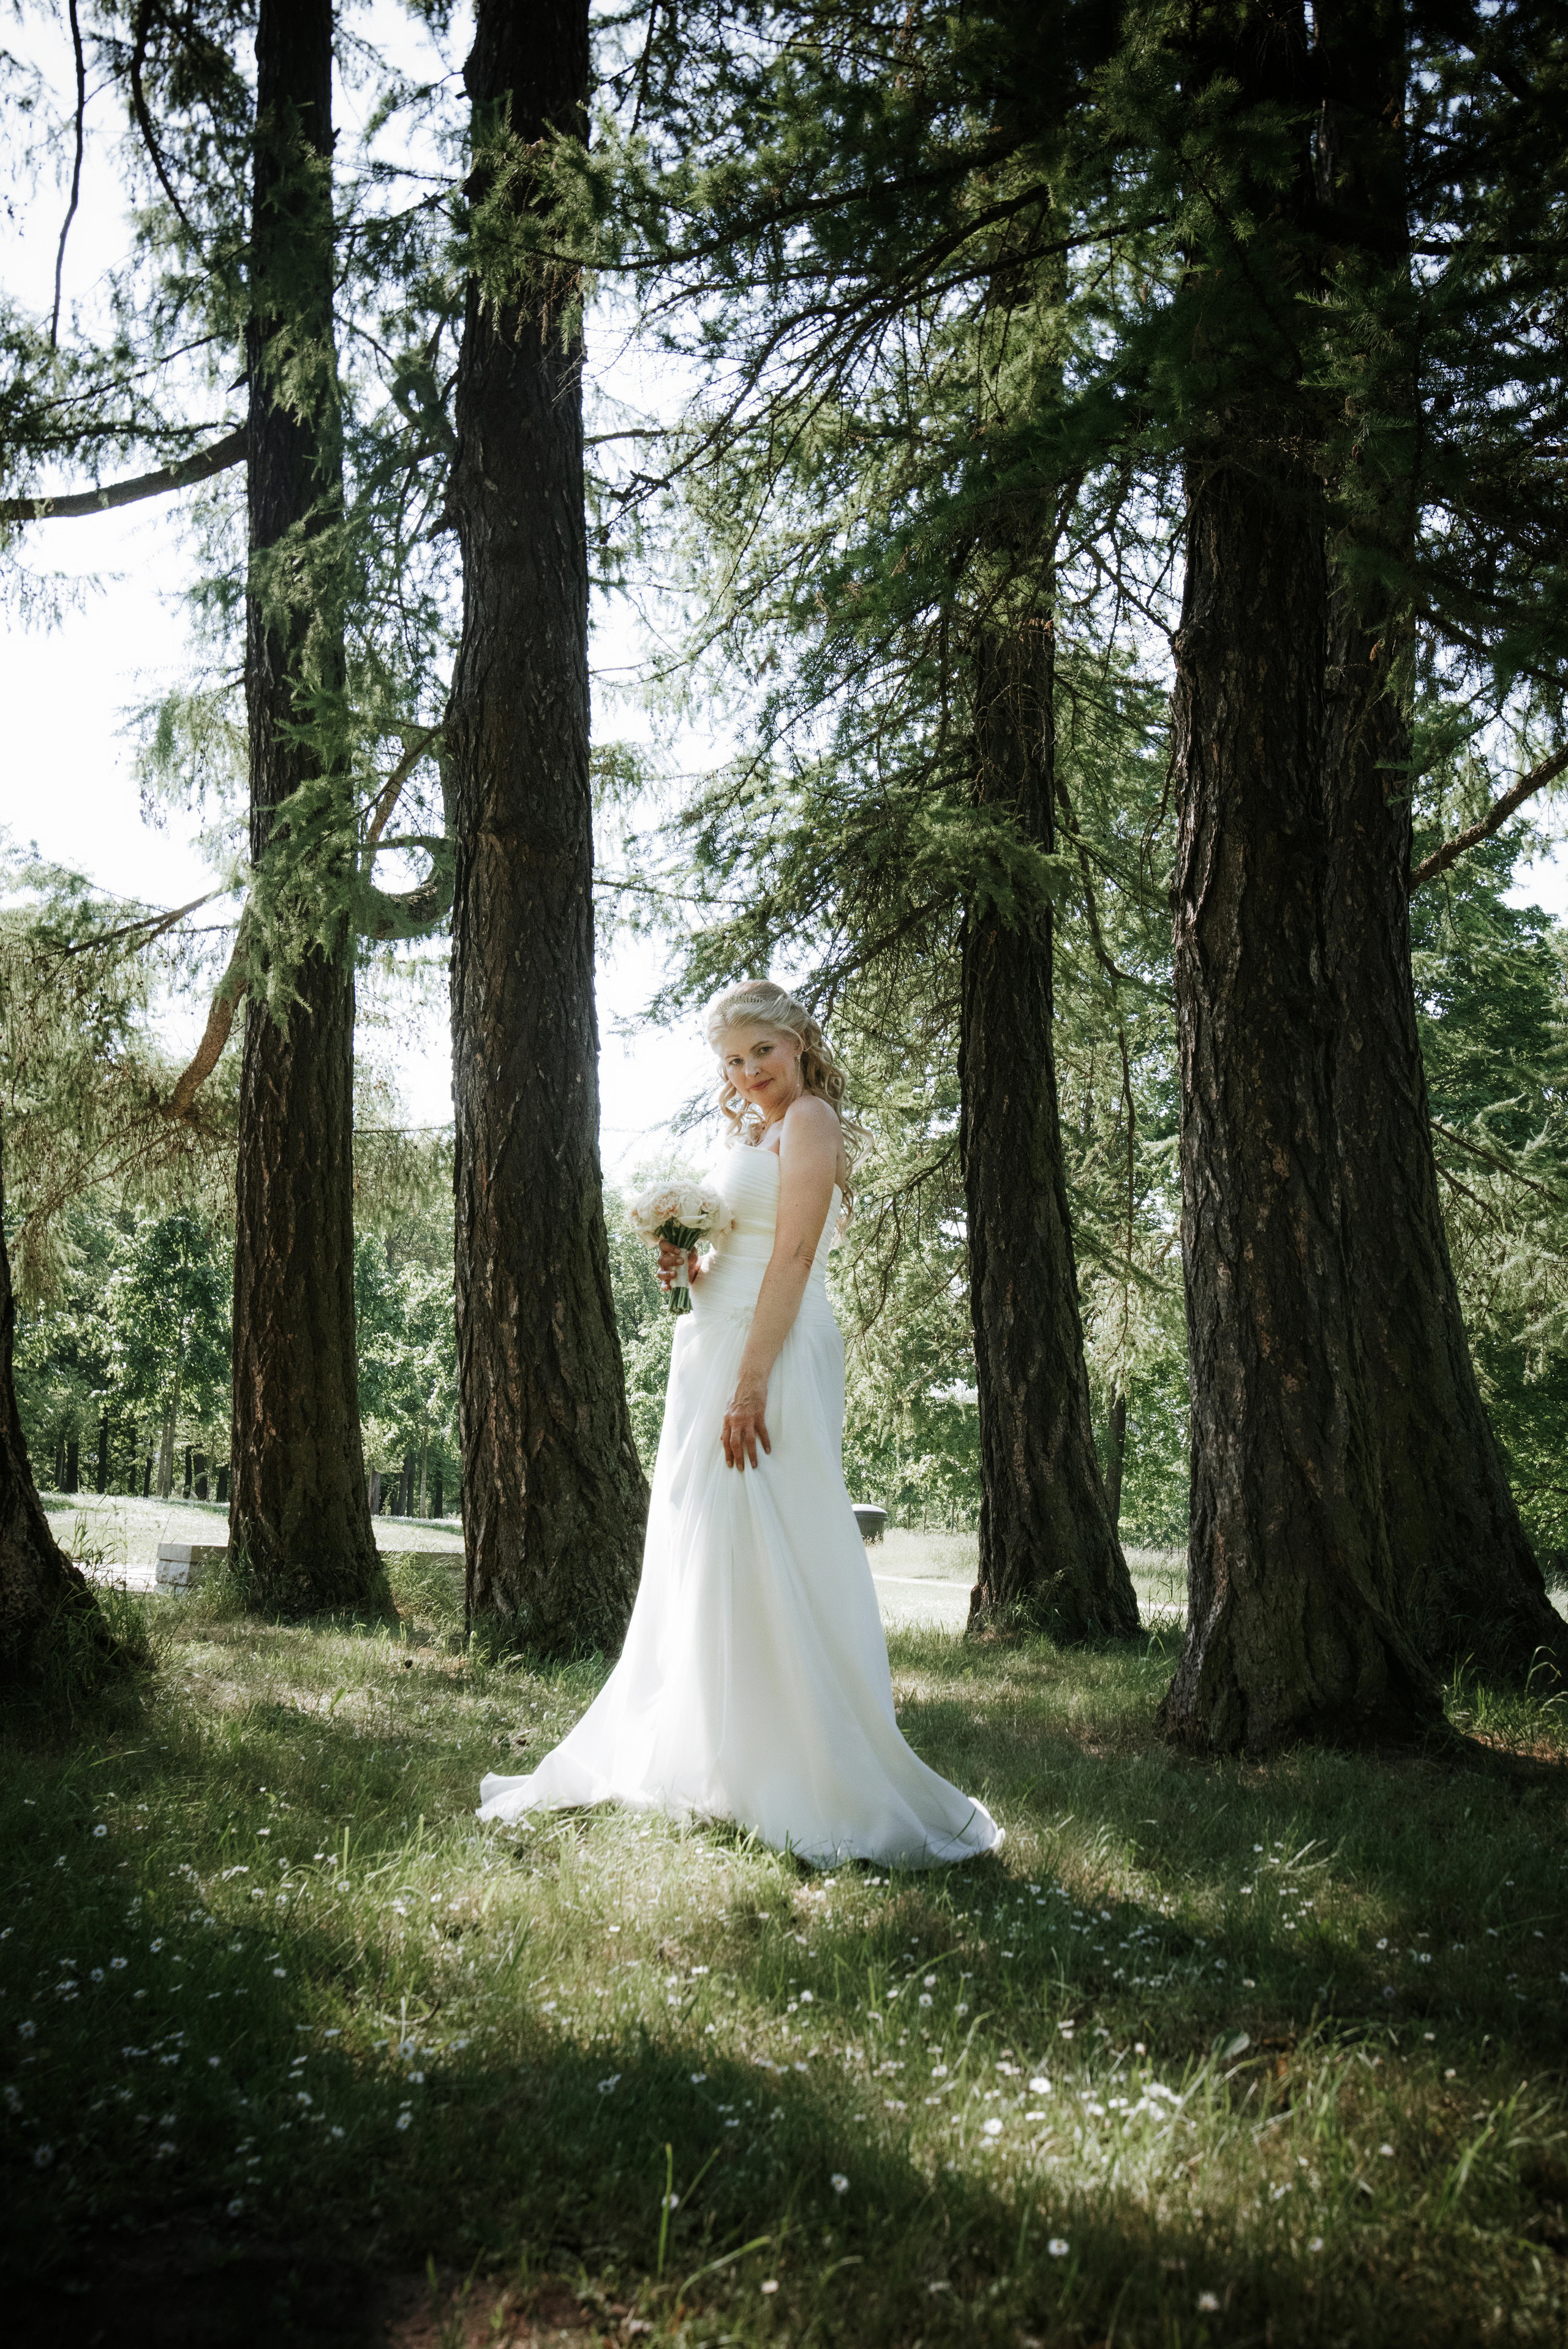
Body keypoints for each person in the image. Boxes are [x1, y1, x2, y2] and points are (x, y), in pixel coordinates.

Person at [477, 979, 1001, 1868]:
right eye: (732, 1060)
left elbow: (793, 1254)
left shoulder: (812, 1124)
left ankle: (805, 1768)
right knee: (710, 1546)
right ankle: (720, 1758)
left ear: (797, 1042)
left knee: (780, 1536)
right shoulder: (749, 1133)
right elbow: (741, 1247)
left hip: (773, 1351)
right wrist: (686, 1262)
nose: (749, 1071)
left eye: (762, 1050)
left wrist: (752, 1383)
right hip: (711, 1348)